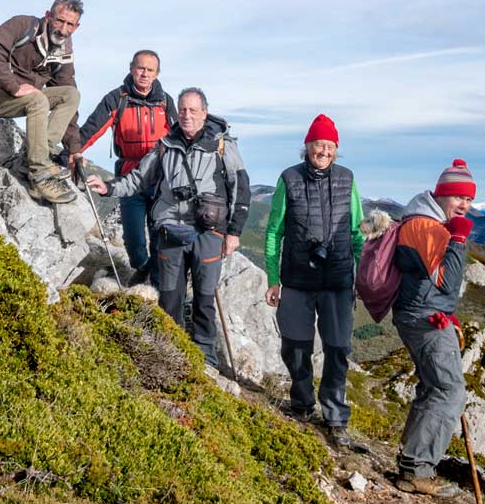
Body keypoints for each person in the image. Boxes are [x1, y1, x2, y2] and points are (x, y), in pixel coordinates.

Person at [85, 88, 250, 367]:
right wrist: (108, 188)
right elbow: (138, 179)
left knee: (204, 297)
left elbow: (240, 190)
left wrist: (233, 232)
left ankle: (206, 358)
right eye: (183, 110)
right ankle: (170, 353)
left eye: (193, 111)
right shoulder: (164, 145)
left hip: (208, 232)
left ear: (204, 114)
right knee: (170, 297)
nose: (186, 115)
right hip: (170, 230)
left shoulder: (222, 145)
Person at [263, 114, 364, 447]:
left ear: (336, 150)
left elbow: (356, 232)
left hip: (337, 281)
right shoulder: (288, 178)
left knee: (337, 349)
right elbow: (275, 230)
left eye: (329, 145)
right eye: (318, 144)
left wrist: (362, 274)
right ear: (307, 146)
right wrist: (274, 277)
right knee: (295, 347)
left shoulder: (347, 180)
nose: (323, 150)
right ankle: (302, 403)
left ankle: (335, 416)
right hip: (296, 279)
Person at [392, 158, 476, 497]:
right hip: (424, 317)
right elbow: (448, 283)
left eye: (469, 200)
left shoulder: (427, 220)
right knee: (449, 391)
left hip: (426, 312)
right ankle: (417, 471)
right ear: (441, 195)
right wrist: (457, 239)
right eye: (458, 197)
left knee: (433, 387)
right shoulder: (426, 227)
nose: (465, 205)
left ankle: (411, 463)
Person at [72, 50, 178, 285]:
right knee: (133, 240)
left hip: (161, 181)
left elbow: (179, 138)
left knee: (159, 235)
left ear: (157, 74)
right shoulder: (117, 99)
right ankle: (142, 266)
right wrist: (71, 151)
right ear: (131, 68)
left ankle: (158, 289)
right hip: (129, 177)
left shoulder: (166, 102)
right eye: (140, 68)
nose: (144, 74)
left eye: (150, 70)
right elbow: (91, 129)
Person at [0, 0, 84, 204]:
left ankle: (33, 157)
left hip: (20, 96)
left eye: (70, 24)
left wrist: (74, 149)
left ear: (76, 27)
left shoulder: (63, 50)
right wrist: (13, 86)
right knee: (37, 99)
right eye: (59, 20)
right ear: (48, 16)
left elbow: (66, 88)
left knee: (70, 95)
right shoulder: (23, 25)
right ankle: (39, 176)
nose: (63, 29)